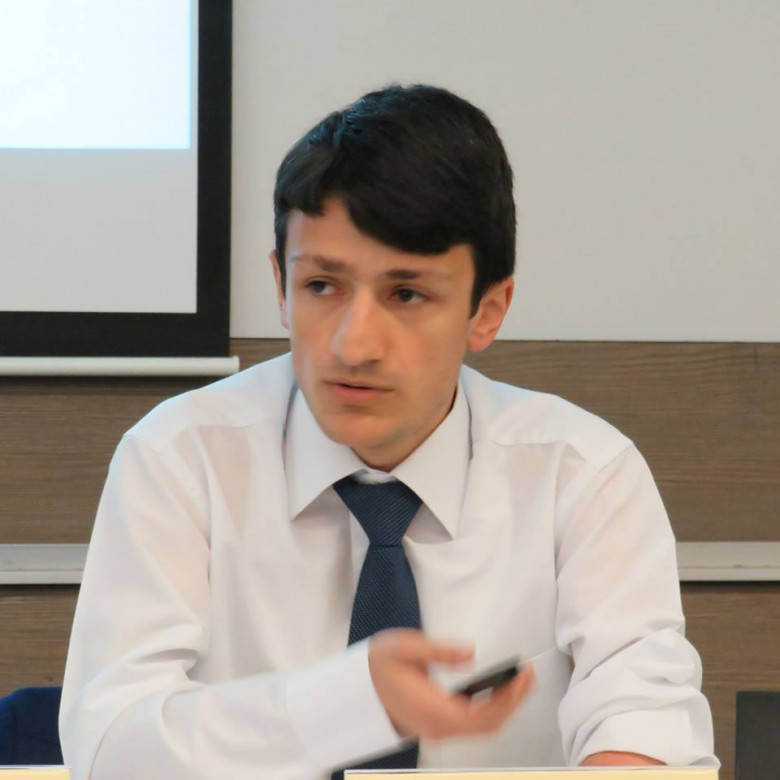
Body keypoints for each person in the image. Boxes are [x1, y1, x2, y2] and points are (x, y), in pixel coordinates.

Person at [60, 84, 718, 779]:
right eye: (322, 286)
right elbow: (108, 747)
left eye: (406, 294)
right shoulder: (180, 457)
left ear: (487, 310)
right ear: (280, 284)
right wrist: (345, 703)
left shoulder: (582, 473)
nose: (354, 345)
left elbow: (644, 716)